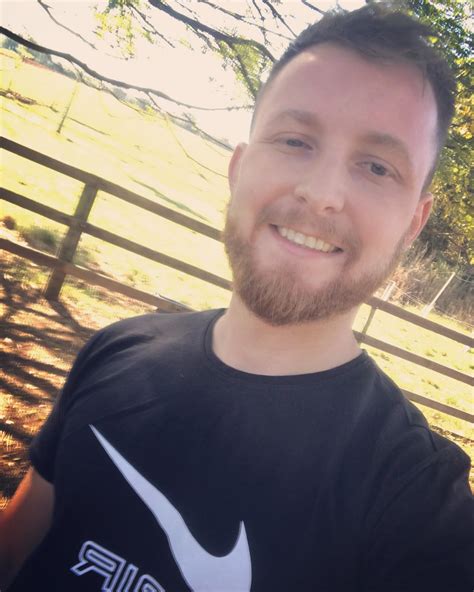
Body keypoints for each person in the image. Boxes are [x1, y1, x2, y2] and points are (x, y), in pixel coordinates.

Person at [1, 3, 473, 591]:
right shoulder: (116, 348)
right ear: (239, 168)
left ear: (413, 223)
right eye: (295, 140)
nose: (322, 192)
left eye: (377, 168)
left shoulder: (413, 500)